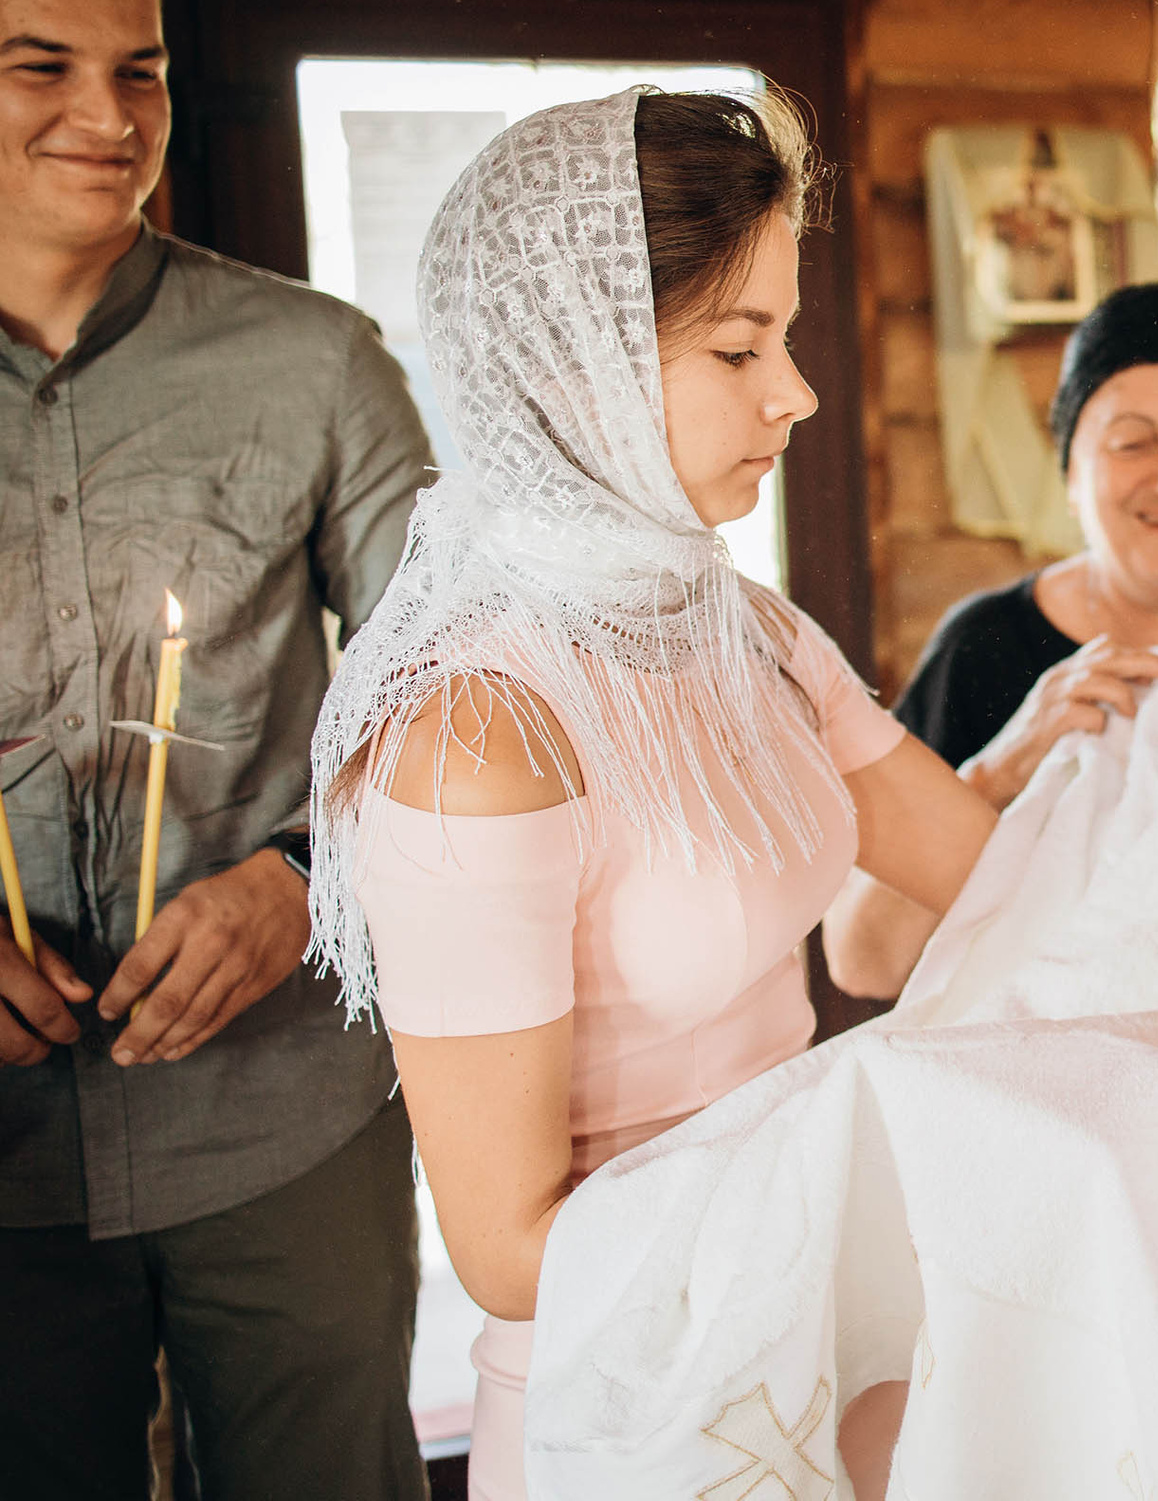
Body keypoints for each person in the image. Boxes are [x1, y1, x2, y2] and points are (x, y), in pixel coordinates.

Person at [307, 88, 994, 1501]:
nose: (794, 389)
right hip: (633, 1383)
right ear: (574, 366)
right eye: (742, 344)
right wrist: (855, 1182)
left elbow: (988, 862)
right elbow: (505, 1245)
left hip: (820, 1318)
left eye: (784, 336)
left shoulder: (745, 626)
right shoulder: (474, 733)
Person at [0, 0, 432, 1501]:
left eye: (144, 70)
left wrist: (311, 881)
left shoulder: (321, 365)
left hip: (286, 1112)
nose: (109, 118)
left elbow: (472, 693)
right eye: (41, 67)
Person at [824, 282, 1158, 995]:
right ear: (1072, 475)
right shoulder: (988, 649)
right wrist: (1005, 764)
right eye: (1132, 443)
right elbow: (862, 959)